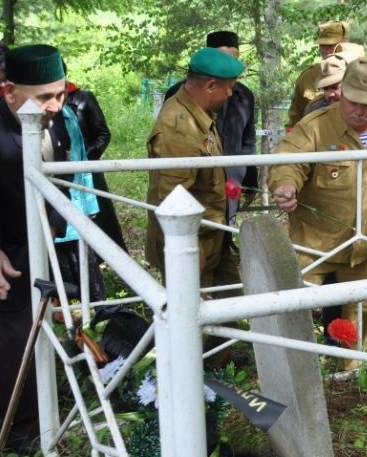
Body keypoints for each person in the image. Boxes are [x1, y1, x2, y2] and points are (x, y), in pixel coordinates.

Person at [269, 58, 367, 368]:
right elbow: (288, 160)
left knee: (360, 311)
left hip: (363, 245)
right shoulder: (316, 125)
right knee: (294, 307)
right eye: (352, 102)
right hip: (313, 244)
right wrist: (286, 186)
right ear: (342, 94)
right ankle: (294, 371)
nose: (359, 111)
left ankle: (350, 373)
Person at [0, 44, 70, 453]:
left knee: (34, 330)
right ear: (9, 91)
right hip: (6, 253)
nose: (56, 105)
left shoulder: (53, 119)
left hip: (40, 245)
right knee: (12, 339)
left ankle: (40, 416)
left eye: (60, 94)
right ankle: (23, 434)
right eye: (45, 96)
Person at [146, 48, 245, 290]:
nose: (231, 93)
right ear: (210, 85)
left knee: (230, 306)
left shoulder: (198, 114)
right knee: (192, 320)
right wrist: (192, 248)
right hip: (190, 246)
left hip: (212, 240)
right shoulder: (179, 127)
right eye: (228, 87)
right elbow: (172, 197)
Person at [164, 31, 257, 225]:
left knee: (224, 229)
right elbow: (172, 188)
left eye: (234, 60)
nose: (229, 66)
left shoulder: (244, 96)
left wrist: (250, 181)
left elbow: (248, 141)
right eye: (223, 60)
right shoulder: (180, 97)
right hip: (197, 187)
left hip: (231, 181)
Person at [64, 68, 128, 254]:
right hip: (63, 172)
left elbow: (103, 133)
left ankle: (111, 256)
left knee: (101, 215)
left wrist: (86, 159)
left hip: (88, 169)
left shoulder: (84, 97)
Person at [285, 20, 365, 129]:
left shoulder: (363, 74)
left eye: (331, 45)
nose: (326, 51)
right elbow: (295, 119)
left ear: (345, 43)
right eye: (323, 45)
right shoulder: (308, 78)